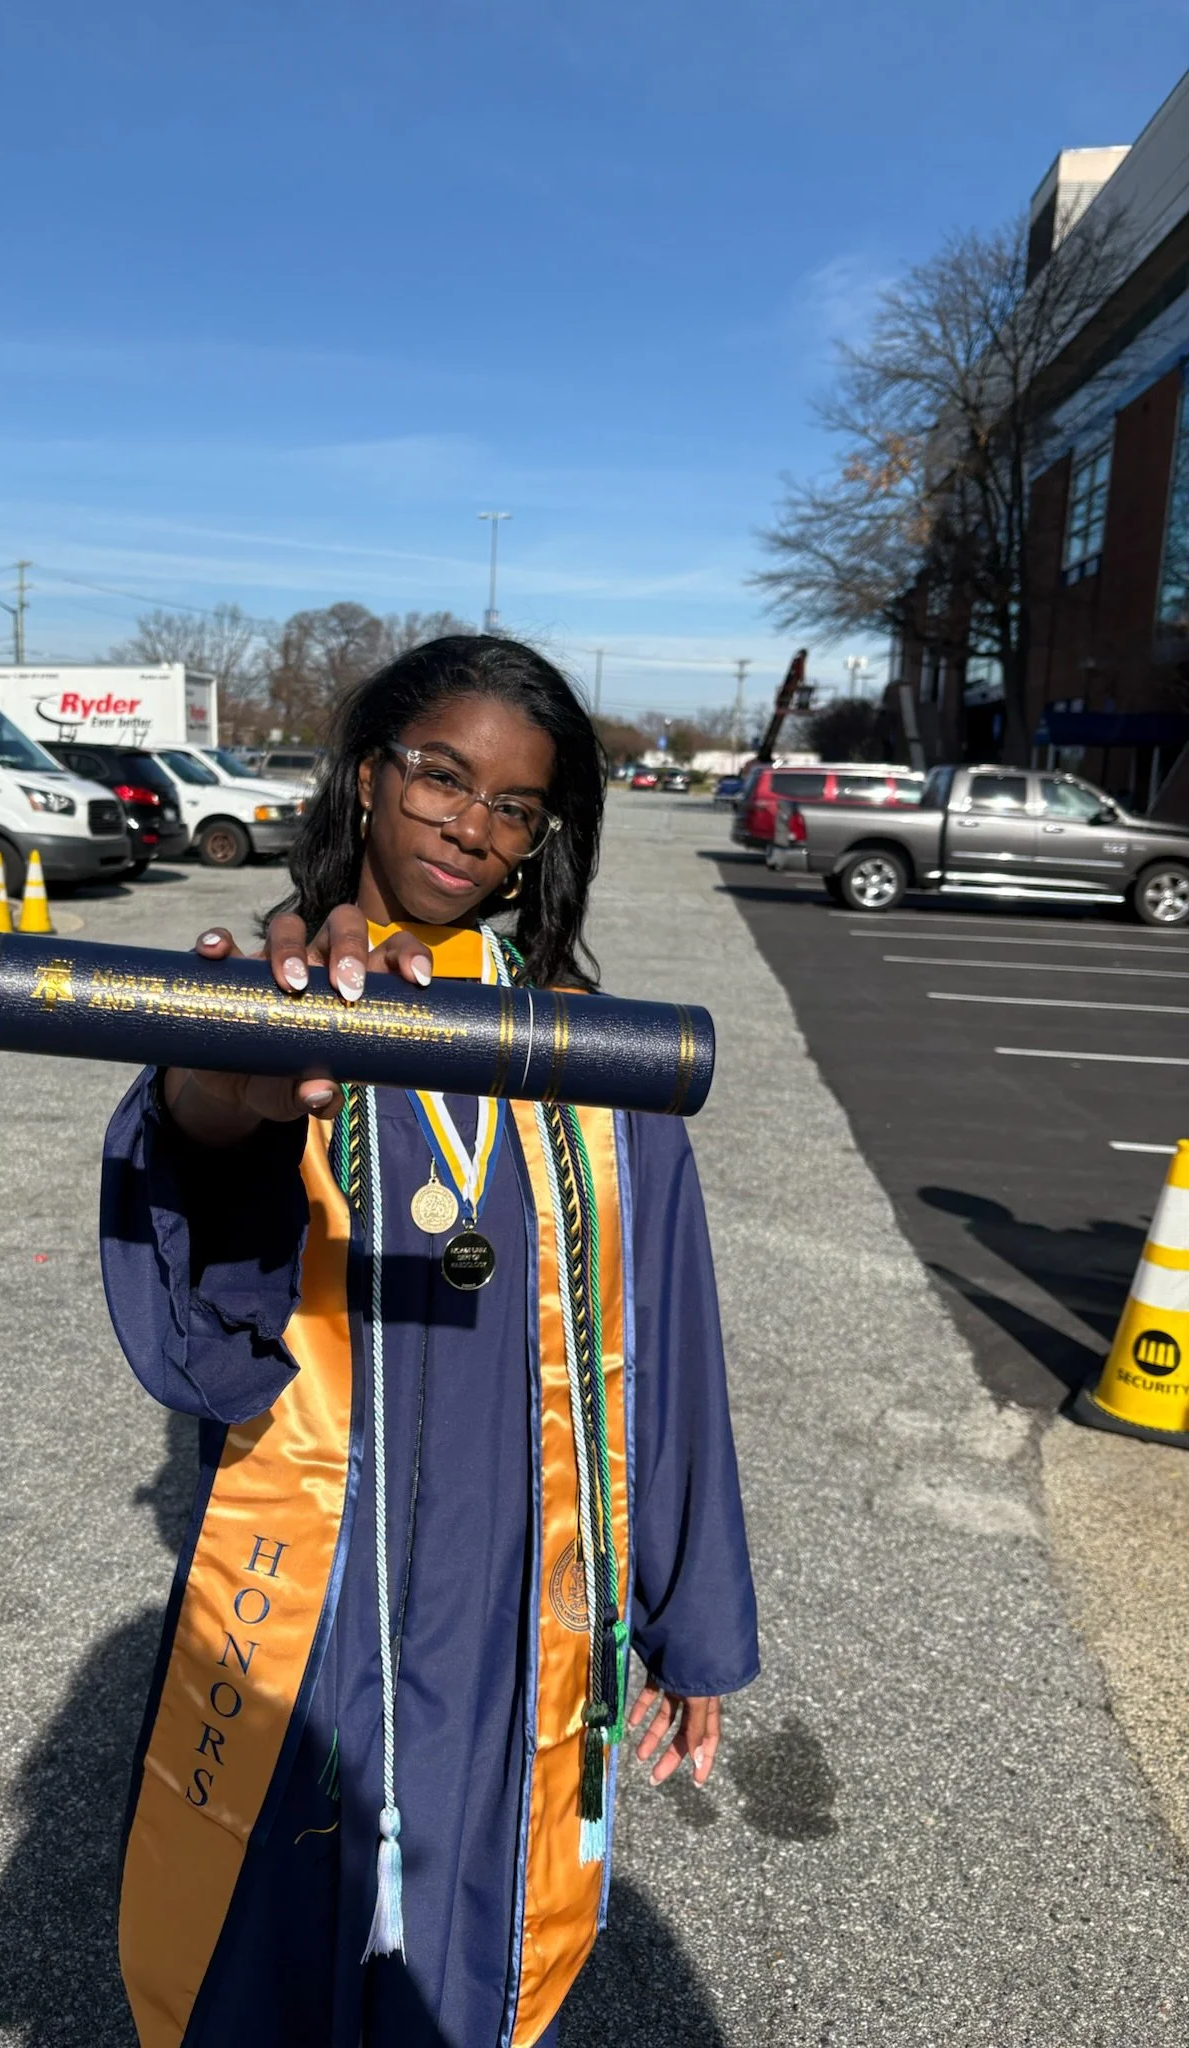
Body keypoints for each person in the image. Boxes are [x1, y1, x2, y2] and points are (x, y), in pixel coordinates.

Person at [99, 635, 758, 2048]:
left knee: (468, 1959)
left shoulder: (593, 1053)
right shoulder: (278, 1004)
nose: (472, 823)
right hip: (315, 1594)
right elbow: (204, 1235)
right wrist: (220, 1091)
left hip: (517, 1599)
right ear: (364, 775)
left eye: (515, 805)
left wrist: (689, 1625)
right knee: (259, 1973)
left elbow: (674, 1347)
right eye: (441, 777)